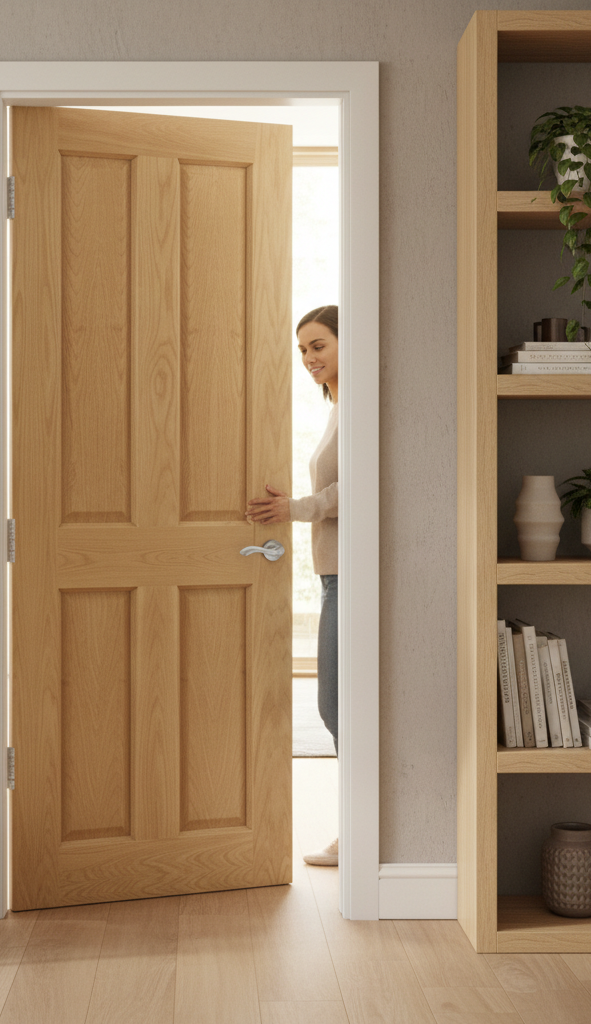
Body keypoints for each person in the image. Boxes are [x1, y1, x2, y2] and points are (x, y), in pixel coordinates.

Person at [246, 305, 339, 867]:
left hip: (348, 576)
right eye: (302, 349)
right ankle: (356, 829)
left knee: (335, 706)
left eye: (319, 345)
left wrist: (294, 509)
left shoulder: (357, 408)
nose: (308, 358)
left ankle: (357, 832)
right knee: (337, 707)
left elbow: (361, 486)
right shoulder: (338, 407)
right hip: (333, 574)